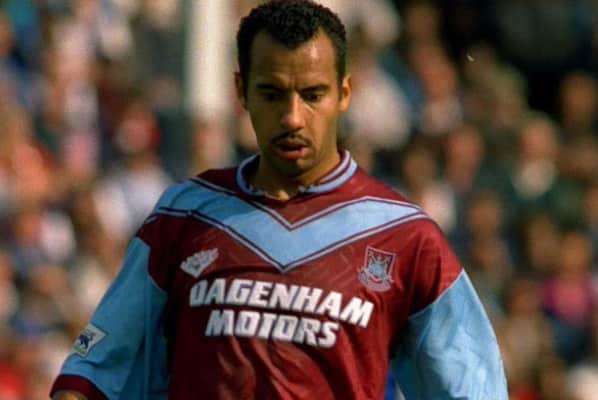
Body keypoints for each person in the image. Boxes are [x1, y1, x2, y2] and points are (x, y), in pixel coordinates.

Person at [50, 1, 507, 399]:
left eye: (313, 95)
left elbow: (473, 386)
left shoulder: (405, 237)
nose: (292, 117)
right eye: (272, 93)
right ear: (241, 91)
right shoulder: (184, 216)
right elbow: (94, 375)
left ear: (344, 93)